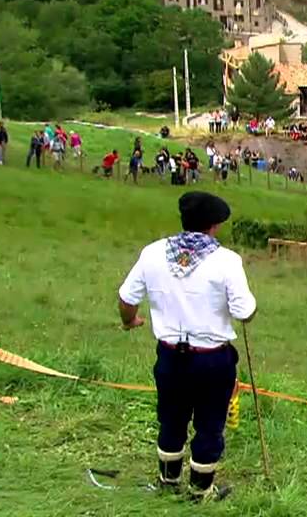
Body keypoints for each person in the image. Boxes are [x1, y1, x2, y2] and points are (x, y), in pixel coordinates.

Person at [117, 192, 257, 500]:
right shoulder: (227, 261)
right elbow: (244, 313)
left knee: (171, 417)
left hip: (170, 355)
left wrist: (130, 321)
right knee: (209, 424)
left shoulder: (153, 253)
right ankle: (200, 491)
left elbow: (127, 299)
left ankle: (168, 482)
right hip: (212, 360)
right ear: (214, 226)